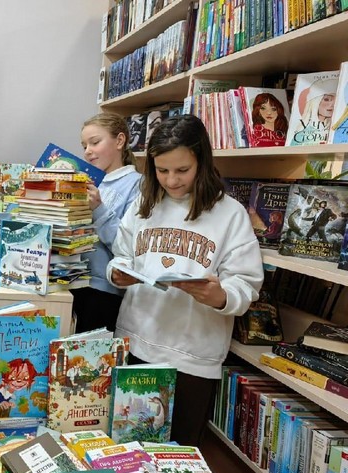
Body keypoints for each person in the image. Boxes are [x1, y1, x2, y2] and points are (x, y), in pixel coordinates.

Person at [107, 115, 263, 445]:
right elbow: (121, 254)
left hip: (193, 357)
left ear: (202, 162)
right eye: (162, 170)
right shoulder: (144, 204)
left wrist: (220, 297)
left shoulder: (230, 214)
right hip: (135, 342)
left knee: (179, 454)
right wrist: (118, 273)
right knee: (126, 447)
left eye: (182, 170)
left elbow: (246, 284)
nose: (171, 180)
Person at [71, 112, 142, 333]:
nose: (87, 151)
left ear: (119, 141)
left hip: (105, 291)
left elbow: (129, 245)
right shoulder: (89, 181)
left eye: (95, 142)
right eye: (84, 145)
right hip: (74, 280)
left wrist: (98, 209)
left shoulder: (136, 185)